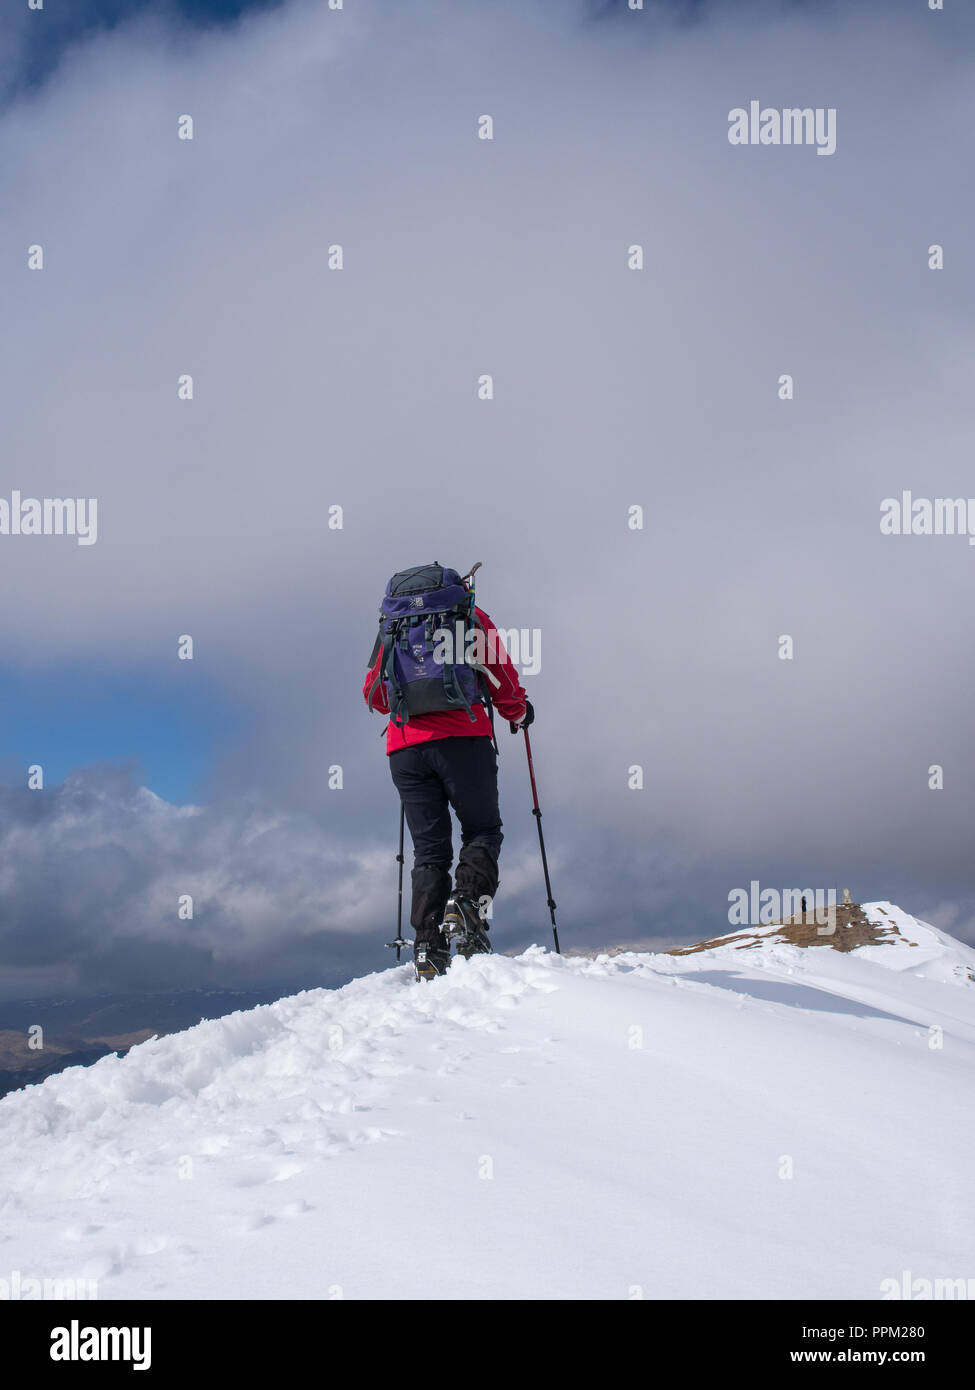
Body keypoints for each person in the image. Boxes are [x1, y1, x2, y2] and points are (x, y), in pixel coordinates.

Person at [363, 563, 532, 979]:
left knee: (429, 850)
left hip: (404, 750)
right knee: (482, 830)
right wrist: (519, 711)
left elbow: (375, 693)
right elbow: (501, 677)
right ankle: (469, 905)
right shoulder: (469, 616)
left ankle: (427, 947)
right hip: (463, 742)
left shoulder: (393, 624)